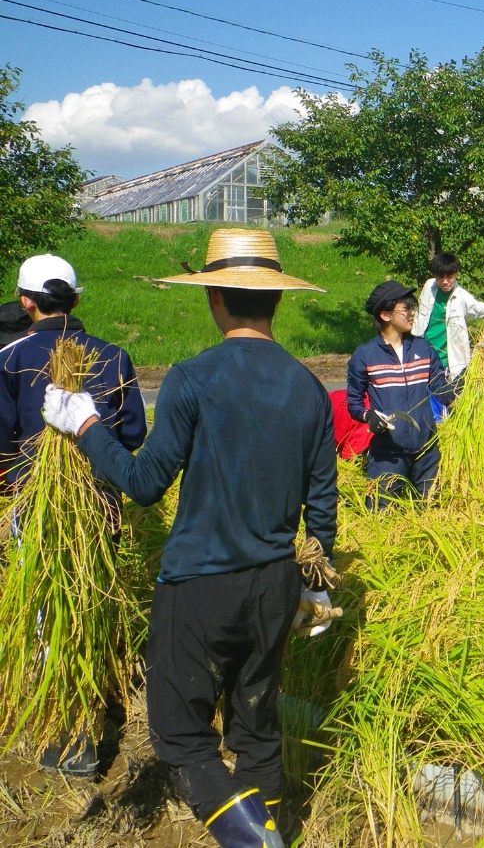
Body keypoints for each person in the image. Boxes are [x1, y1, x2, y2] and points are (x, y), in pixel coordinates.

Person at [41, 229, 337, 847]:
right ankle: (271, 828)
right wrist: (316, 581)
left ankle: (258, 844)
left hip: (201, 586)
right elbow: (322, 503)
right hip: (275, 588)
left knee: (179, 735)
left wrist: (87, 424)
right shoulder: (310, 388)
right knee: (255, 730)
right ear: (275, 302)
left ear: (215, 300)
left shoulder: (195, 377)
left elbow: (145, 483)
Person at [0, 254, 147, 776]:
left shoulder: (10, 355)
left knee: (44, 616)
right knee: (92, 604)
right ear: (77, 301)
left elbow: (2, 443)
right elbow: (132, 437)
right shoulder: (113, 356)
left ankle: (60, 734)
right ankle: (92, 721)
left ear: (25, 302)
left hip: (33, 510)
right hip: (101, 505)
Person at [348, 281, 455, 505]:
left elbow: (443, 392)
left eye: (412, 308)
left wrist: (465, 383)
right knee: (380, 516)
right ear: (385, 315)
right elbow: (354, 403)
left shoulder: (423, 349)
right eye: (406, 309)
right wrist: (370, 416)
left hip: (427, 451)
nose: (412, 313)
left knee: (433, 513)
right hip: (388, 454)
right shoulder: (365, 355)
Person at [411, 252, 484, 383]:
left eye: (449, 277)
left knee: (441, 397)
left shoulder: (461, 297)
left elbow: (477, 307)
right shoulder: (429, 286)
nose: (444, 282)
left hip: (444, 358)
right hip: (421, 351)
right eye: (440, 277)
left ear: (456, 274)